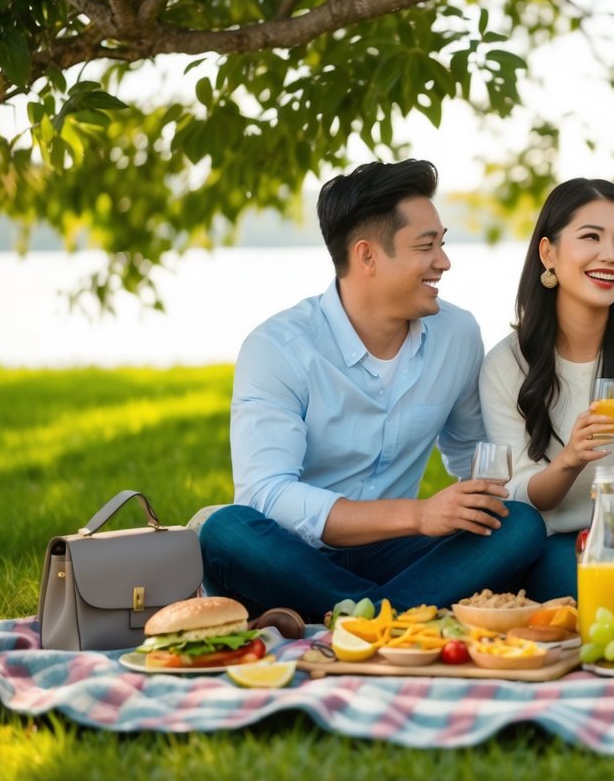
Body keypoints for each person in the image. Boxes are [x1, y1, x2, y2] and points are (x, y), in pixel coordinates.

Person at [198, 160, 546, 621]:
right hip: (295, 556)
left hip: (398, 556)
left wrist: (481, 497)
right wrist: (419, 515)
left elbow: (472, 457)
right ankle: (399, 614)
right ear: (367, 256)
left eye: (442, 244)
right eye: (427, 247)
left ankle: (360, 617)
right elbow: (267, 495)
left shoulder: (457, 334)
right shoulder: (278, 348)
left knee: (518, 526)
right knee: (226, 529)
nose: (444, 262)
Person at [479, 178, 614, 601]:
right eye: (591, 237)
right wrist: (570, 460)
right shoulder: (507, 363)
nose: (610, 256)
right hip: (564, 547)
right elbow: (523, 497)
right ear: (549, 253)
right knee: (568, 577)